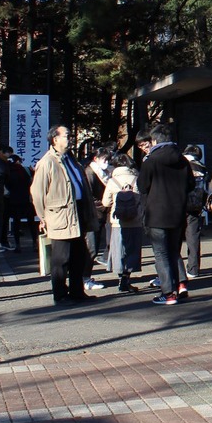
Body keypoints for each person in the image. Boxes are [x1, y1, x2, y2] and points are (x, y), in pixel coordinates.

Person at [30, 125, 98, 306]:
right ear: (55, 139)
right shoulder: (48, 162)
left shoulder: (71, 160)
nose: (70, 138)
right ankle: (60, 295)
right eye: (66, 135)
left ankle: (77, 292)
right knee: (61, 258)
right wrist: (42, 216)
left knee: (79, 255)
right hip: (60, 215)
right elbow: (37, 192)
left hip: (78, 211)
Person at [137, 124, 194, 306]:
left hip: (157, 214)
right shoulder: (183, 160)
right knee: (173, 251)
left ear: (154, 141)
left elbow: (142, 186)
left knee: (161, 254)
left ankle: (168, 293)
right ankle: (180, 285)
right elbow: (191, 184)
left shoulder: (151, 161)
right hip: (177, 213)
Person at [102, 152, 144, 293]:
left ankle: (120, 277)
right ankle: (127, 277)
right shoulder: (137, 179)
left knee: (119, 250)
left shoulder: (112, 181)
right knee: (132, 249)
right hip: (135, 221)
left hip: (118, 222)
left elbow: (105, 202)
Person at [83, 146, 114, 289]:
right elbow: (89, 196)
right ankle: (85, 278)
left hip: (101, 213)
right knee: (91, 248)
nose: (107, 162)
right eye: (104, 159)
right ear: (96, 158)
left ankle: (85, 277)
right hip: (94, 213)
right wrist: (104, 203)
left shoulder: (103, 172)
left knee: (95, 246)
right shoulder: (90, 172)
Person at [182, 145, 208, 280]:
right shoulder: (202, 168)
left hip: (179, 205)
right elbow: (205, 189)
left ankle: (176, 269)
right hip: (195, 206)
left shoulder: (179, 164)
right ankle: (193, 268)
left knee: (174, 238)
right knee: (193, 238)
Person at [1, 150, 34, 253]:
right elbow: (32, 181)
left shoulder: (7, 172)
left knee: (16, 223)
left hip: (13, 200)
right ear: (18, 161)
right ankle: (35, 243)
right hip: (27, 199)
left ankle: (18, 245)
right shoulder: (26, 170)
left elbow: (5, 186)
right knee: (31, 222)